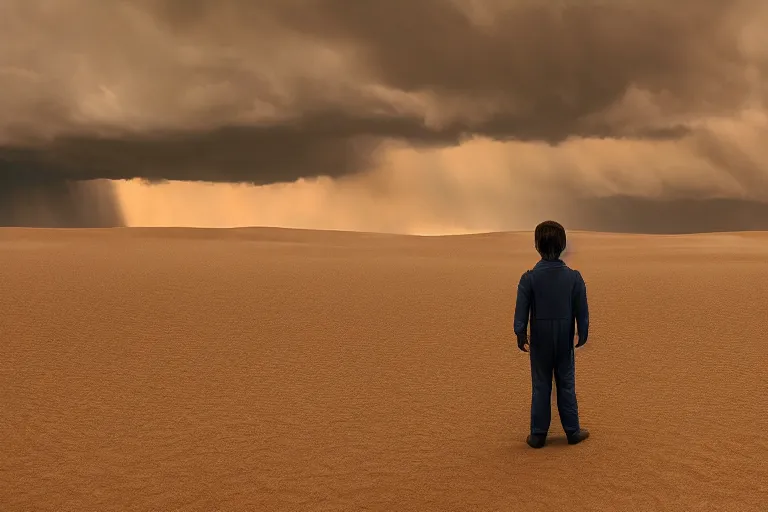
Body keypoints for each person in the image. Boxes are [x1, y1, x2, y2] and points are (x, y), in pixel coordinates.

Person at [513, 220, 590, 448]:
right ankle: (572, 430)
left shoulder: (529, 278)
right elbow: (581, 309)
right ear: (563, 245)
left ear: (537, 245)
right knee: (566, 382)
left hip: (540, 338)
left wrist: (520, 332)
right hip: (564, 335)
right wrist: (583, 330)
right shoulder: (574, 277)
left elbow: (521, 309)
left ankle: (538, 434)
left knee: (541, 384)